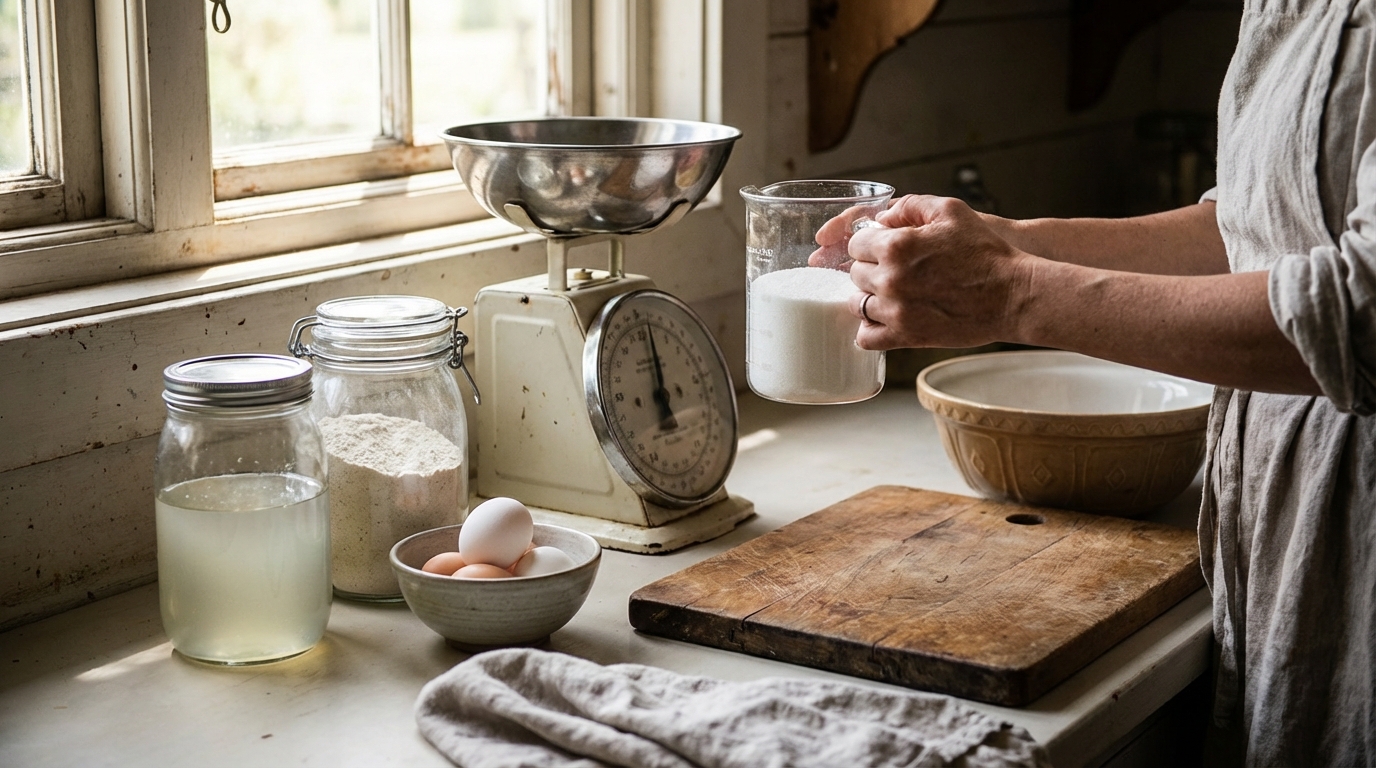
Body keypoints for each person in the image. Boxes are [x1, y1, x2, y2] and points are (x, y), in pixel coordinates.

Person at [825, 1, 1376, 764]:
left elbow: (1360, 312)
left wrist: (1012, 292)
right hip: (1286, 537)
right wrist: (1011, 244)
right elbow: (1253, 232)